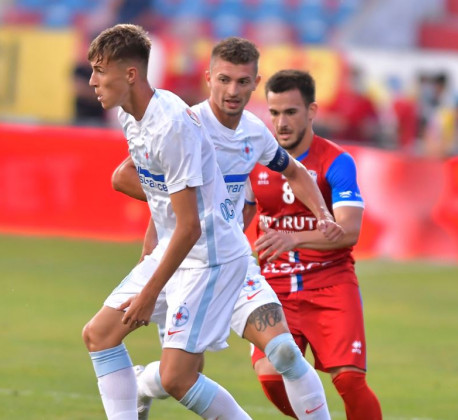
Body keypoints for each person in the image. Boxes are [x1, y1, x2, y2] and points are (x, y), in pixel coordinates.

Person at [112, 37, 340, 419]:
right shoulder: (184, 125)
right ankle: (141, 384)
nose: (232, 90)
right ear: (208, 79)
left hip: (232, 262)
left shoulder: (254, 132)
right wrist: (188, 203)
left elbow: (295, 171)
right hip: (184, 264)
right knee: (179, 378)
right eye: (224, 80)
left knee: (283, 351)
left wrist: (324, 214)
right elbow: (123, 176)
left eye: (242, 81)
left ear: (255, 84)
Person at [80, 24, 252, 419]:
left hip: (210, 257)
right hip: (174, 250)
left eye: (99, 71)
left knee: (178, 378)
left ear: (130, 74)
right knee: (100, 335)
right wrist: (148, 253)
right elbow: (163, 198)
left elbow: (190, 225)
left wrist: (147, 292)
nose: (92, 81)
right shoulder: (131, 115)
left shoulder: (171, 125)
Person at [246, 69, 382, 420]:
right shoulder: (254, 162)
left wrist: (295, 238)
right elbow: (238, 220)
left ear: (312, 111)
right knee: (272, 379)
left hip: (330, 283)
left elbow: (349, 231)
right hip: (275, 288)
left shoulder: (336, 161)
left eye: (291, 112)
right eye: (274, 113)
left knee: (350, 383)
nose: (281, 122)